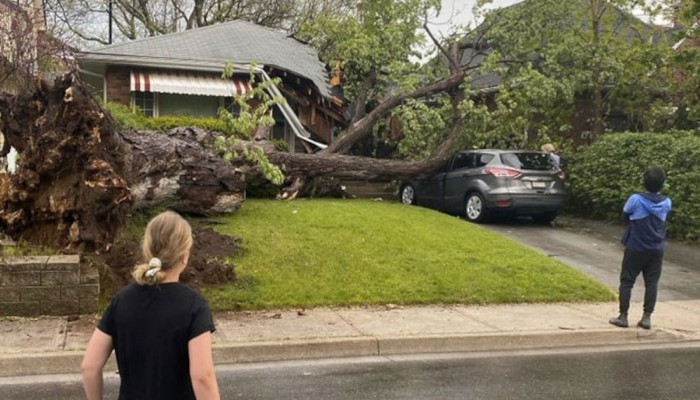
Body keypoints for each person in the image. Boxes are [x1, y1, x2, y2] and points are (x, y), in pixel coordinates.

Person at [81, 211, 220, 400]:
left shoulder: (121, 301)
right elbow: (203, 377)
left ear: (148, 251)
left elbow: (89, 367)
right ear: (184, 257)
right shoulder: (194, 307)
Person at [609, 167, 672, 330]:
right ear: (662, 184)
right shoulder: (667, 202)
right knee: (652, 283)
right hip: (656, 248)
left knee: (627, 281)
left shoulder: (635, 199)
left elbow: (624, 216)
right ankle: (646, 317)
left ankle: (623, 316)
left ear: (644, 181)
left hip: (636, 246)